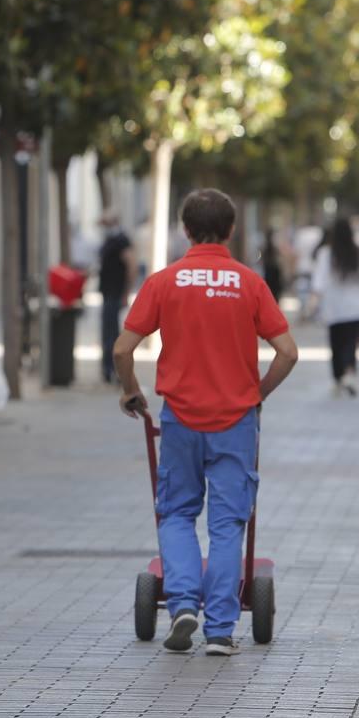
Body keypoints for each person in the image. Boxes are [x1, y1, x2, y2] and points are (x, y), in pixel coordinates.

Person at [113, 189, 299, 656]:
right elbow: (288, 352)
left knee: (176, 512)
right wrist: (257, 395)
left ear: (185, 229)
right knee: (226, 522)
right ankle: (219, 629)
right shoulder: (249, 283)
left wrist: (131, 391)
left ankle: (181, 606)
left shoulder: (164, 281)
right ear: (232, 230)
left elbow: (122, 348)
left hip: (180, 419)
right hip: (235, 421)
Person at [311, 217, 359, 397]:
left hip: (334, 307)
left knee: (336, 343)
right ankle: (350, 372)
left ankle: (338, 377)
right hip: (357, 306)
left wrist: (313, 303)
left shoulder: (326, 253)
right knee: (351, 342)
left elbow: (319, 282)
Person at [97, 210, 138, 384]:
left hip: (115, 292)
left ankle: (113, 370)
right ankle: (108, 369)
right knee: (107, 331)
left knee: (112, 334)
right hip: (108, 292)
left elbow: (131, 266)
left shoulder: (121, 240)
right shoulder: (110, 240)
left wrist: (126, 292)